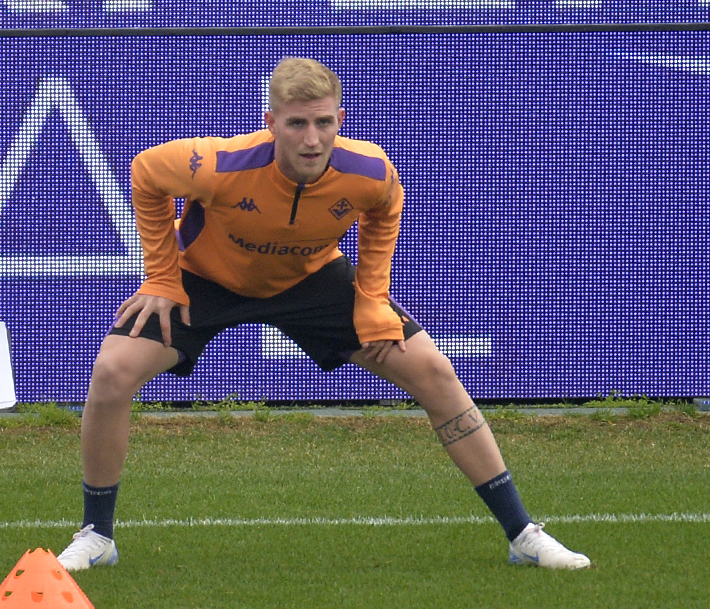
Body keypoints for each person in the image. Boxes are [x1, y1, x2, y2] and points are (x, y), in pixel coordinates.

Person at [56, 57, 590, 572]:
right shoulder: (218, 162)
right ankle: (97, 537)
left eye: (323, 122)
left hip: (309, 279)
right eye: (296, 124)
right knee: (111, 373)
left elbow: (385, 210)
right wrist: (163, 277)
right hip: (205, 278)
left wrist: (372, 298)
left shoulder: (369, 169)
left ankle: (524, 534)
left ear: (340, 119)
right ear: (270, 124)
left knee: (432, 371)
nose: (311, 139)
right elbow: (145, 174)